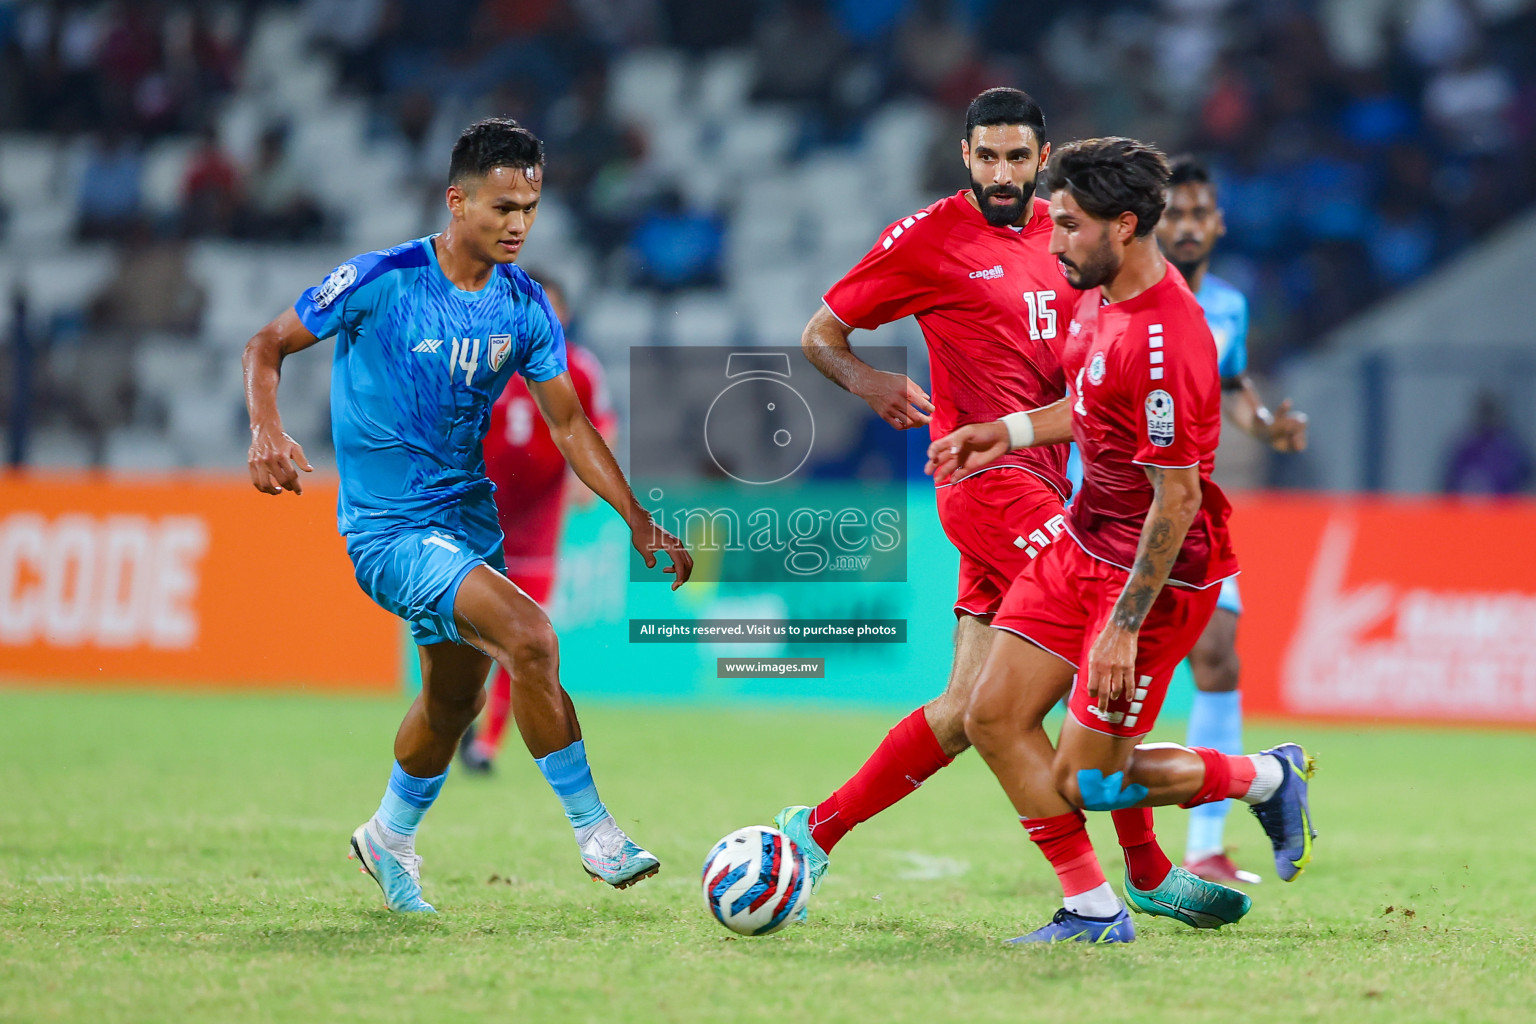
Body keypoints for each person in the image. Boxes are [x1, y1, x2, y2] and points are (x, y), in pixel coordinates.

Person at [776, 89, 1240, 931]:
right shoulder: (929, 239)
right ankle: (1140, 871)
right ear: (965, 156)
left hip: (1056, 482)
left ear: (1040, 157)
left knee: (968, 711)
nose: (1001, 173)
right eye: (986, 157)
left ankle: (812, 833)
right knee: (1095, 652)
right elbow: (821, 332)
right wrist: (871, 380)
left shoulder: (1071, 236)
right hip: (984, 485)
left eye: (1016, 158)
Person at [241, 118, 692, 913]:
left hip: (468, 527)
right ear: (458, 201)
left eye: (531, 207)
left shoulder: (524, 306)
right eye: (502, 207)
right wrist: (268, 429)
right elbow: (266, 345)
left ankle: (386, 835)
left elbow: (568, 424)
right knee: (532, 635)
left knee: (453, 703)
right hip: (390, 531)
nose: (519, 223)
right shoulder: (382, 278)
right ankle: (598, 834)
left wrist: (635, 516)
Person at [928, 137, 1316, 944]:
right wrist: (1000, 432)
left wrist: (1124, 626)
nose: (1053, 237)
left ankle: (1266, 777)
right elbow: (1092, 406)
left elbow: (1175, 499)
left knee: (1088, 783)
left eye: (1068, 224)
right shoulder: (1096, 295)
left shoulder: (1168, 342)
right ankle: (1095, 910)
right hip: (1083, 543)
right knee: (990, 718)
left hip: (1163, 573)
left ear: (1125, 226)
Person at [1155, 154, 1310, 885]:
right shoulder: (1118, 297)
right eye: (1174, 213)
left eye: (1198, 213)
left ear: (1216, 222)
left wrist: (1265, 427)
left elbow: (1234, 385)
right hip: (1114, 516)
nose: (1187, 226)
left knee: (1218, 658)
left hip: (1193, 513)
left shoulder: (1229, 306)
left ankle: (1204, 847)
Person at [458, 271, 617, 772]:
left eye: (547, 308)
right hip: (478, 519)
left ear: (563, 316)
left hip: (539, 526)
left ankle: (487, 745)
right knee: (463, 632)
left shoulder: (580, 369)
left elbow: (601, 428)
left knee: (524, 636)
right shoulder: (481, 360)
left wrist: (587, 481)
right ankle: (459, 711)